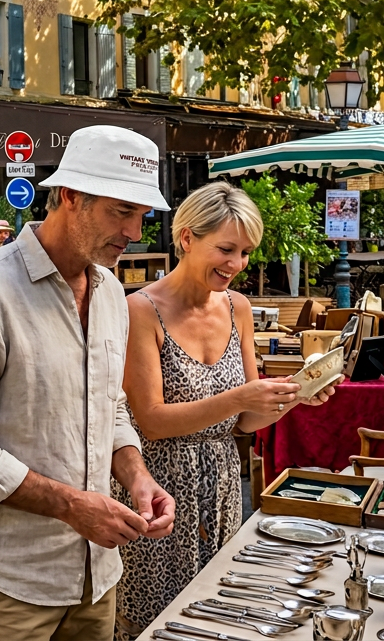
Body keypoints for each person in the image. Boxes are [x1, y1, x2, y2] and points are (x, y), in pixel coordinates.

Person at [0, 125, 176, 641]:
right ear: (69, 197)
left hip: (97, 576)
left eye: (142, 215)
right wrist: (71, 506)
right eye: (119, 211)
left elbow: (111, 407)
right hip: (11, 580)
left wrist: (137, 477)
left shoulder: (109, 293)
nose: (133, 230)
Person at [115, 182, 338, 637]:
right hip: (159, 491)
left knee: (219, 618)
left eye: (246, 252)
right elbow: (152, 422)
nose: (236, 265)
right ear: (187, 239)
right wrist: (239, 397)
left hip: (222, 485)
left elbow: (244, 421)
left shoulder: (238, 306)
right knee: (152, 622)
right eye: (226, 249)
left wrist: (294, 394)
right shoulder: (140, 309)